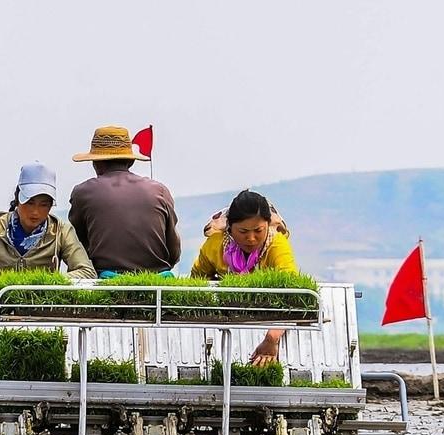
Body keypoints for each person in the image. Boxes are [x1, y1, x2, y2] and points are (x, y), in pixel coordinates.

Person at [191, 190, 300, 367]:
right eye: (243, 231)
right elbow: (197, 281)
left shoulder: (277, 245)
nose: (251, 238)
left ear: (267, 225)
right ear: (230, 228)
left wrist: (271, 339)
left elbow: (293, 294)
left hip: (270, 320)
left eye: (258, 230)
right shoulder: (215, 245)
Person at [68, 125, 181, 275]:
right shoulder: (160, 190)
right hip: (158, 281)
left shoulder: (82, 192)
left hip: (107, 281)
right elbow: (174, 252)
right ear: (130, 162)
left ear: (96, 163)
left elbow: (78, 245)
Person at [0, 162, 95, 278]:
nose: (35, 212)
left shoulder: (61, 232)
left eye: (44, 205)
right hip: (0, 304)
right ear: (18, 199)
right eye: (29, 202)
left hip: (44, 304)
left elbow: (86, 271)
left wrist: (49, 283)